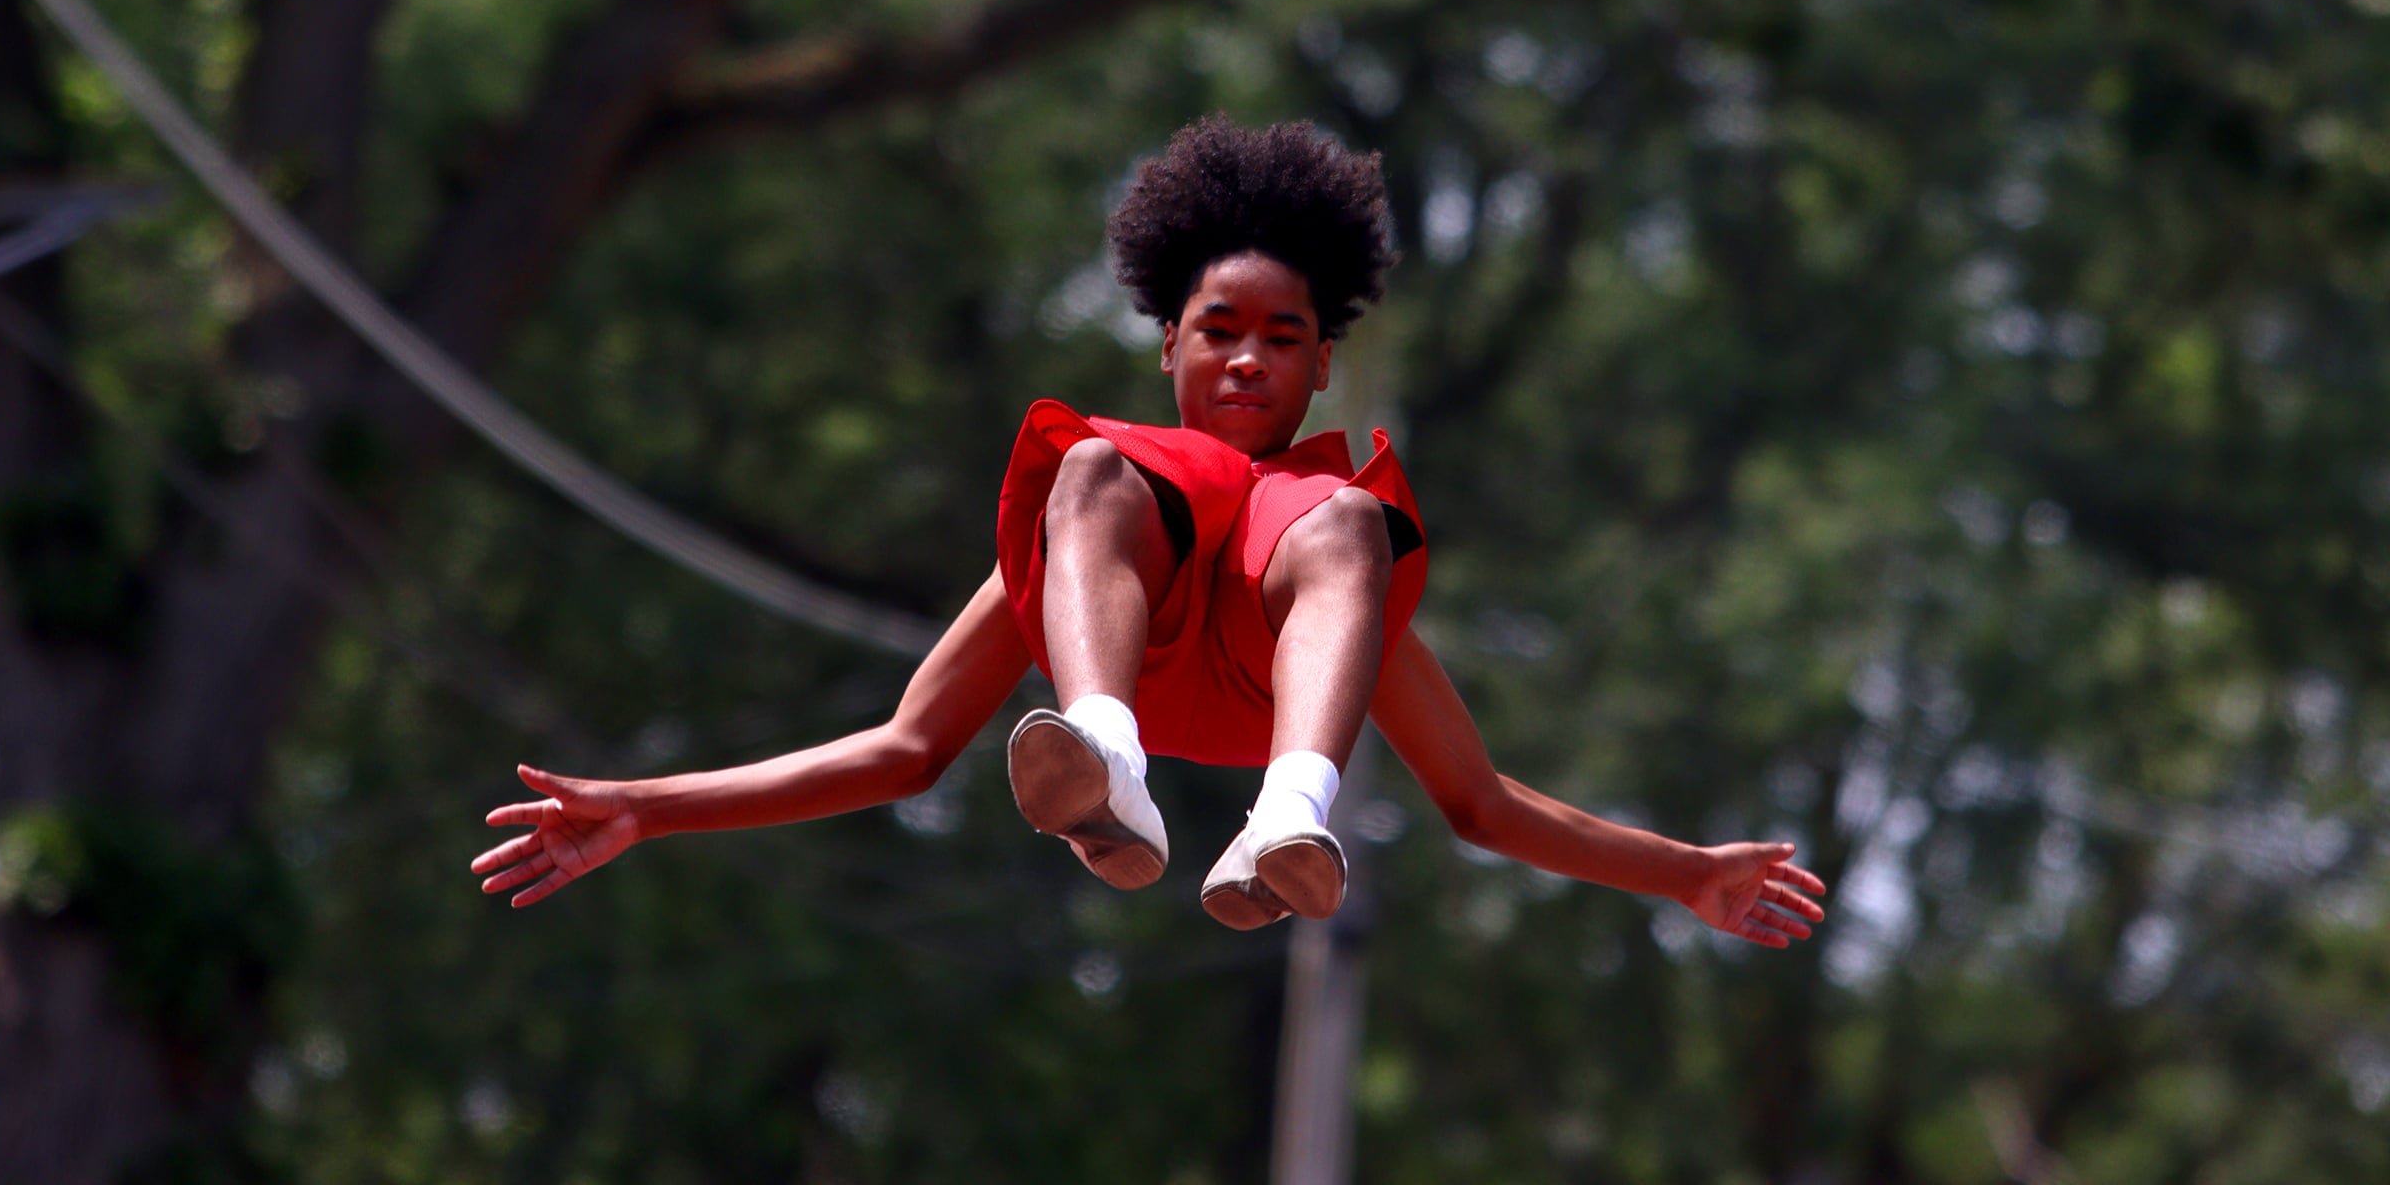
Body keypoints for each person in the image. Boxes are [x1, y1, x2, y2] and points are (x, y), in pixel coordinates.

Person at [473, 117, 1827, 945]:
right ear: (1168, 340)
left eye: (1282, 342)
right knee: (1093, 469)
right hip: (1124, 660)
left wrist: (1685, 874)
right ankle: (1104, 762)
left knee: (1351, 514)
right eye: (1218, 333)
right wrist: (645, 809)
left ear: (1316, 370)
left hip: (1276, 694)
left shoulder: (1330, 566)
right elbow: (904, 750)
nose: (1247, 363)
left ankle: (1281, 820)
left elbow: (1478, 802)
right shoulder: (1091, 536)